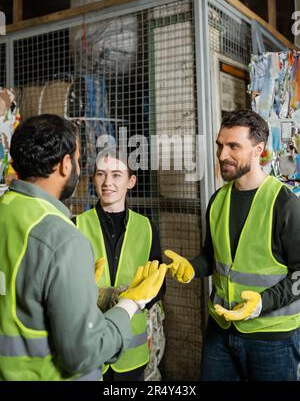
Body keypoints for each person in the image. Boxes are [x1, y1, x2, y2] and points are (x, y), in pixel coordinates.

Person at [0, 114, 166, 381]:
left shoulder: (8, 212)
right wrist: (129, 300)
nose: (107, 182)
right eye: (80, 161)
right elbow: (83, 352)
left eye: (116, 175)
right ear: (66, 164)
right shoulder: (65, 236)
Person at [165, 109, 300, 381]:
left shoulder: (285, 205)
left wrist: (262, 303)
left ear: (258, 150)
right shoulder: (218, 200)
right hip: (220, 329)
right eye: (220, 145)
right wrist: (192, 267)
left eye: (233, 146)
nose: (222, 154)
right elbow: (212, 257)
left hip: (272, 338)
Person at [74, 149, 166, 381]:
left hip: (131, 352)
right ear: (93, 179)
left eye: (116, 175)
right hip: (90, 349)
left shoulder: (147, 228)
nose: (107, 182)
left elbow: (159, 286)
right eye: (101, 174)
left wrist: (131, 299)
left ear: (131, 181)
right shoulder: (75, 225)